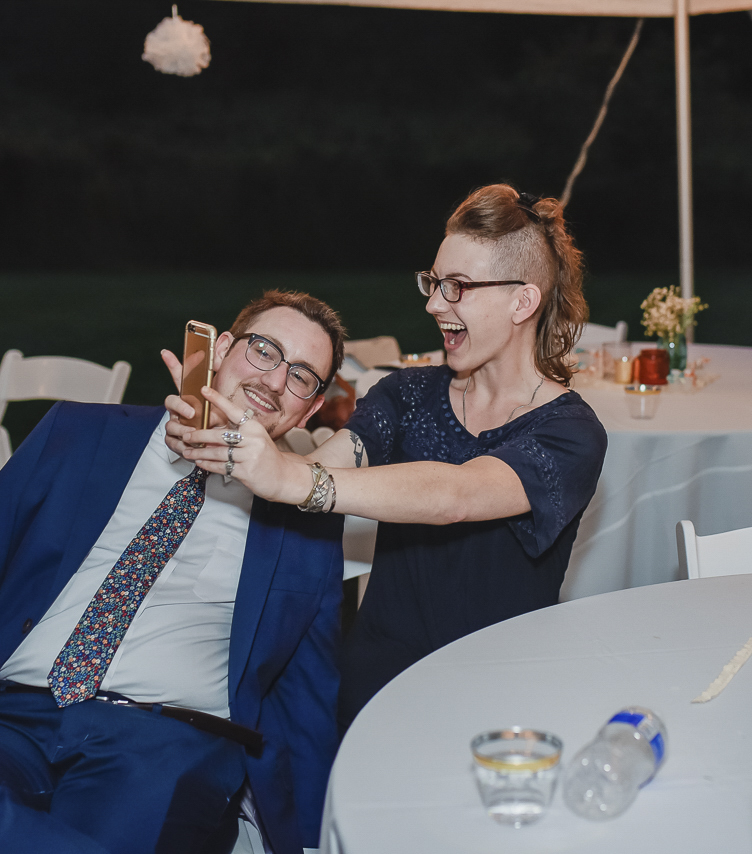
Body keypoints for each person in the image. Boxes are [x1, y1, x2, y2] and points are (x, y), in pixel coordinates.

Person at [167, 184, 608, 729]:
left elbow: (456, 496)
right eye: (433, 282)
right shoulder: (407, 393)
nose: (433, 304)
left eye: (457, 287)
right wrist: (226, 434)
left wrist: (289, 479)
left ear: (522, 302)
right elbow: (320, 469)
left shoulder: (570, 433)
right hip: (379, 683)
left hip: (499, 693)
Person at [0, 291, 347, 854]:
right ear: (221, 350)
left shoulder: (302, 524)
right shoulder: (78, 431)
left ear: (309, 411)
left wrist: (313, 839)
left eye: (302, 376)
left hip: (162, 744)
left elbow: (306, 693)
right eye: (264, 350)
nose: (275, 380)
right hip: (15, 711)